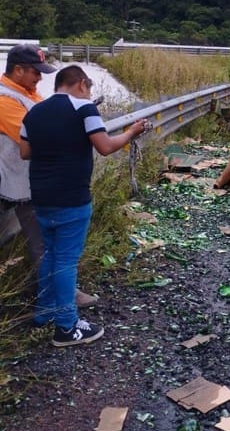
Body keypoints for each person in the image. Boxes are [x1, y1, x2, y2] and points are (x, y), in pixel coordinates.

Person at [20, 65, 151, 346]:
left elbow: (25, 151)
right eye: (89, 88)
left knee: (51, 256)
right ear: (81, 84)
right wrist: (131, 132)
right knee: (66, 261)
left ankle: (44, 313)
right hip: (71, 197)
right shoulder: (84, 108)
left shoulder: (33, 112)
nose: (89, 93)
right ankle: (67, 327)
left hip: (41, 197)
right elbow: (104, 146)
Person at [0, 45, 98, 309]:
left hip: (41, 182)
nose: (39, 78)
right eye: (35, 72)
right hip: (23, 185)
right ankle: (62, 306)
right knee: (46, 247)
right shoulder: (5, 100)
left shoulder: (29, 94)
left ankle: (51, 303)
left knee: (50, 245)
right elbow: (41, 134)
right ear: (17, 69)